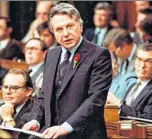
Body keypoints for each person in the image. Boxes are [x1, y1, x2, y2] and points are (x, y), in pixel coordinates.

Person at [23, 3, 112, 139]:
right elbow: (44, 94)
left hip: (83, 135)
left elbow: (95, 100)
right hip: (52, 134)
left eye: (70, 26)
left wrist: (66, 127)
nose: (65, 34)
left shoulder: (99, 55)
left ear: (80, 26)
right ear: (53, 33)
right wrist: (36, 120)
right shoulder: (51, 54)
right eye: (59, 29)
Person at [0, 69, 42, 137]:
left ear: (28, 91)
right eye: (5, 87)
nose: (8, 92)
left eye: (14, 88)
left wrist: (8, 119)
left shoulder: (35, 114)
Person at [107, 43, 152, 120]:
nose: (142, 66)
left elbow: (149, 119)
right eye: (139, 59)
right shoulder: (133, 85)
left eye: (148, 61)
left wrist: (118, 104)